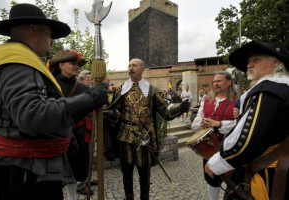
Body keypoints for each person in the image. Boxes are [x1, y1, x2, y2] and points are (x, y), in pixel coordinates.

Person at [0, 4, 108, 200]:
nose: (51, 41)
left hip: (24, 165)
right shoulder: (16, 61)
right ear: (33, 29)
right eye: (49, 33)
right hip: (21, 169)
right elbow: (32, 115)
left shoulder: (19, 58)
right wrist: (90, 98)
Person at [205, 41, 289, 200]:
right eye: (249, 61)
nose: (249, 64)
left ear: (276, 62)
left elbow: (247, 139)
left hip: (266, 173)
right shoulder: (283, 89)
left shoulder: (268, 91)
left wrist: (217, 162)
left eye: (256, 60)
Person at [107, 58, 189, 200]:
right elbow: (115, 112)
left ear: (142, 69)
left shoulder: (152, 90)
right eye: (129, 65)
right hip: (125, 136)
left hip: (144, 139)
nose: (130, 68)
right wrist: (108, 113)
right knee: (126, 173)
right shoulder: (121, 89)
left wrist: (180, 108)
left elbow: (166, 111)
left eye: (134, 65)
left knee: (144, 173)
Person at [48, 49, 92, 200]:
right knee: (55, 175)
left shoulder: (84, 89)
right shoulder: (50, 86)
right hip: (55, 135)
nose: (76, 67)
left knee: (74, 173)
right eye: (73, 63)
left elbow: (88, 113)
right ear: (61, 65)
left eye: (78, 64)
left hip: (78, 136)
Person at [192, 71, 237, 200]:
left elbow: (241, 124)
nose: (215, 84)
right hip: (209, 148)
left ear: (229, 82)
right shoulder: (207, 100)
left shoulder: (237, 100)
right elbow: (195, 123)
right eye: (214, 81)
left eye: (219, 81)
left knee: (233, 179)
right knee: (211, 178)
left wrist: (219, 124)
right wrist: (202, 123)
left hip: (229, 147)